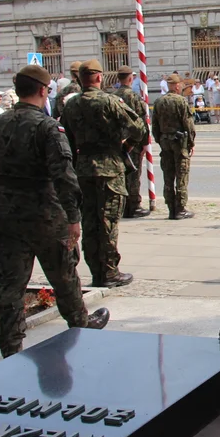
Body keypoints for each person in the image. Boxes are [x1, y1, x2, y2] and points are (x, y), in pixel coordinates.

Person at [0, 64, 110, 357]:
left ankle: (10, 345)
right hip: (44, 213)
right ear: (41, 90)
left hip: (4, 214)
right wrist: (74, 218)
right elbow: (64, 175)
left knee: (10, 284)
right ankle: (80, 324)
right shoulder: (47, 127)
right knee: (63, 275)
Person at [60, 59, 144, 288]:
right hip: (109, 166)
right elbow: (139, 127)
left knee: (89, 221)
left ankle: (96, 271)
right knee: (107, 221)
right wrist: (127, 145)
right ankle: (109, 272)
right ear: (99, 77)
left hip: (83, 168)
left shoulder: (71, 105)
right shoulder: (109, 101)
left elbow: (65, 137)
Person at [153, 73, 196, 220]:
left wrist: (161, 140)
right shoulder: (181, 101)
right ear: (177, 86)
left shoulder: (159, 102)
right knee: (181, 176)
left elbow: (155, 127)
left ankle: (171, 208)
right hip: (180, 143)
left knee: (168, 176)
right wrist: (191, 143)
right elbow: (188, 125)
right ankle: (181, 208)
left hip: (165, 142)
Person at [112, 65, 151, 219]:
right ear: (130, 78)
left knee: (120, 175)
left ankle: (123, 205)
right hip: (132, 142)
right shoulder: (134, 96)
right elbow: (142, 121)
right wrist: (144, 142)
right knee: (134, 174)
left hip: (117, 142)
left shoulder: (113, 96)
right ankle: (133, 205)